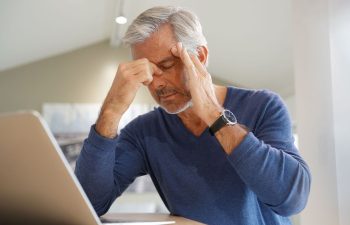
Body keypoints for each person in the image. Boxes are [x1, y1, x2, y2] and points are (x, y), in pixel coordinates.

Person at [75, 6, 311, 225]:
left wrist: (212, 114)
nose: (156, 84)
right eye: (147, 72)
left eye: (166, 66)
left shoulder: (263, 106)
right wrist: (111, 110)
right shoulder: (144, 133)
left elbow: (291, 200)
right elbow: (90, 203)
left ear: (200, 56)